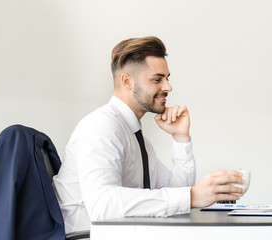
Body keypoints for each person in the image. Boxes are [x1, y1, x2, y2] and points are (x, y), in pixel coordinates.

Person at [53, 36, 244, 233]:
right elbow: (102, 205)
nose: (168, 87)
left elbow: (175, 195)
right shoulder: (101, 126)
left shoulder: (138, 138)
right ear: (127, 81)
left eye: (167, 78)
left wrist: (180, 139)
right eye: (157, 79)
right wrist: (192, 196)